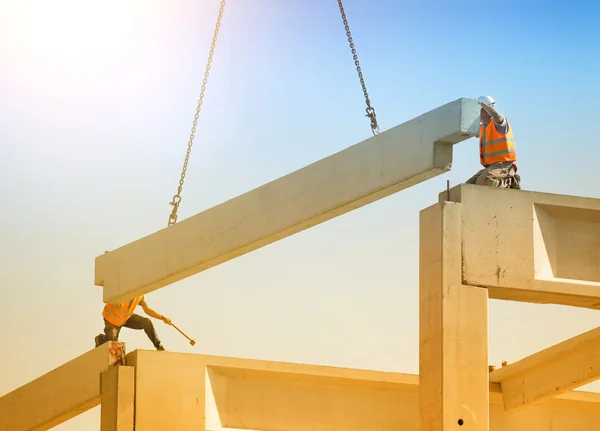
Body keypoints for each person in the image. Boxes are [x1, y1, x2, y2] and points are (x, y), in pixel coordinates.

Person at [466, 95, 521, 189]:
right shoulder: (483, 127)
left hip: (505, 165)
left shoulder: (499, 123)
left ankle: (509, 180)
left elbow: (497, 116)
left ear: (485, 111)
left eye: (478, 111)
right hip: (491, 167)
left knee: (484, 182)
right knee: (468, 186)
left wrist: (483, 105)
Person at [94, 295, 170, 350]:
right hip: (112, 318)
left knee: (146, 322)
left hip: (125, 318)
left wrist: (162, 318)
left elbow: (147, 310)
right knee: (113, 345)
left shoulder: (140, 294)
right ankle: (101, 339)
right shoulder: (127, 286)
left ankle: (157, 344)